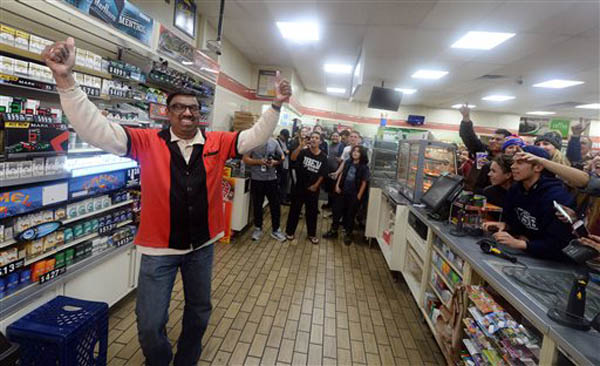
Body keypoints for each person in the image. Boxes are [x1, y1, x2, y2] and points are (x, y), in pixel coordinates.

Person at [41, 37, 292, 366]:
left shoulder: (218, 142)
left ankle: (186, 360)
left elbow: (255, 136)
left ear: (199, 114)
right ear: (168, 113)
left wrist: (275, 106)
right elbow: (96, 129)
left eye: (193, 108)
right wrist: (65, 79)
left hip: (202, 247)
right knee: (148, 325)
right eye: (179, 107)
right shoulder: (146, 142)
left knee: (199, 313)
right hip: (158, 250)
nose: (187, 113)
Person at [485, 146, 575, 261]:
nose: (513, 166)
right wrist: (506, 226)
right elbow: (518, 224)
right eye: (513, 162)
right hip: (527, 256)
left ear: (538, 167)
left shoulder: (557, 197)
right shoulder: (516, 189)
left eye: (520, 163)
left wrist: (520, 244)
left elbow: (558, 245)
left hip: (554, 263)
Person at [285, 132, 328, 244]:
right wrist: (300, 145)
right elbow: (293, 158)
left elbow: (322, 174)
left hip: (313, 190)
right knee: (294, 210)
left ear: (320, 141)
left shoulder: (323, 157)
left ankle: (311, 234)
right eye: (312, 137)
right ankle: (290, 232)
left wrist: (316, 185)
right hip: (299, 187)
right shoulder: (303, 152)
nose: (314, 139)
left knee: (312, 213)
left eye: (316, 138)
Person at [323, 145, 370, 245]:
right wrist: (337, 186)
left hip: (354, 195)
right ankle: (333, 231)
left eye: (358, 152)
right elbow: (342, 173)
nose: (355, 153)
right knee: (336, 212)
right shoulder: (348, 162)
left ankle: (348, 234)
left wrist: (359, 196)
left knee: (350, 215)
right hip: (342, 192)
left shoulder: (364, 167)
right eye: (354, 151)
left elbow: (364, 182)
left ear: (362, 154)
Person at [459, 105, 512, 193]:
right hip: (469, 191)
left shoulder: (508, 161)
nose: (492, 141)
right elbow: (469, 137)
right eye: (492, 138)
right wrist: (466, 118)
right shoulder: (483, 152)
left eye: (498, 139)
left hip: (490, 197)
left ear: (506, 142)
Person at [243, 138, 286, 242]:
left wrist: (275, 162)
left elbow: (282, 157)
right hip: (257, 179)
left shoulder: (274, 142)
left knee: (275, 205)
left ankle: (276, 230)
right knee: (257, 205)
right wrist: (259, 161)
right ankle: (258, 228)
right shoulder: (253, 141)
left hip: (272, 179)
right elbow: (245, 159)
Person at [323, 131, 344, 210]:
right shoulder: (329, 145)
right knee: (329, 189)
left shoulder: (341, 146)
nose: (334, 137)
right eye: (333, 136)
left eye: (336, 136)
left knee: (334, 189)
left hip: (337, 171)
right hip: (329, 169)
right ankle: (329, 204)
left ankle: (334, 206)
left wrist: (340, 160)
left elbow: (343, 159)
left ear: (339, 137)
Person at [276, 129, 291, 205]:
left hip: (286, 166)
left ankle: (283, 199)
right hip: (279, 167)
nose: (286, 138)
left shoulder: (286, 142)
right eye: (285, 136)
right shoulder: (276, 142)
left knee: (284, 184)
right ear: (281, 135)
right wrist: (285, 153)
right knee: (278, 184)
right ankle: (277, 200)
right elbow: (275, 155)